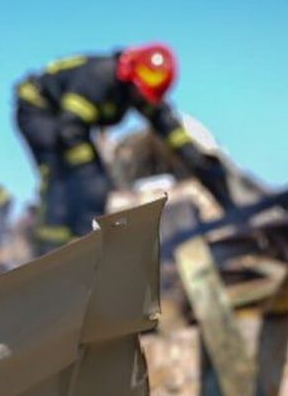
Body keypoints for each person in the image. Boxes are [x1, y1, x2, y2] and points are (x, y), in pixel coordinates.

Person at [13, 44, 233, 253]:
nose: (143, 97)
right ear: (131, 73)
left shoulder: (141, 88)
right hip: (38, 110)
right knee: (64, 179)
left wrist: (202, 165)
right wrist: (88, 176)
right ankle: (51, 251)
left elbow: (171, 130)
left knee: (95, 184)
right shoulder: (99, 77)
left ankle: (83, 246)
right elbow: (69, 128)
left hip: (68, 124)